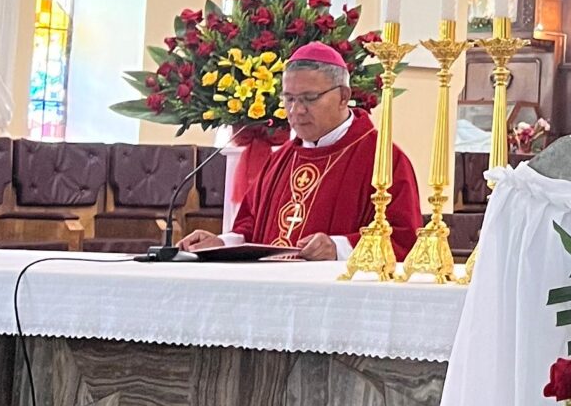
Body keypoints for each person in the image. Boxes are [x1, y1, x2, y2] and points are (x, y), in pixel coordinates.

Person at [179, 43, 420, 263]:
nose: (296, 110)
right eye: (289, 98)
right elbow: (249, 227)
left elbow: (403, 239)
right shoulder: (280, 159)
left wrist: (339, 247)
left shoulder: (384, 160)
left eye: (309, 98)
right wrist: (220, 242)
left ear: (343, 96)